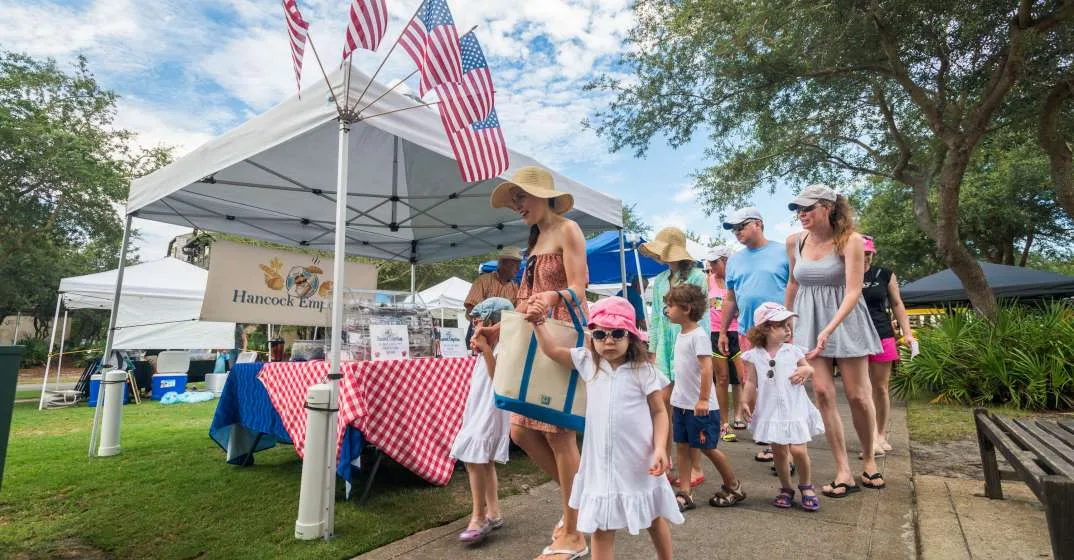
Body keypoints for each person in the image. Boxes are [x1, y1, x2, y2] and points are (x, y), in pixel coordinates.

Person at [529, 296, 682, 560]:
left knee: (653, 516)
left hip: (638, 461)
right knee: (600, 527)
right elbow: (552, 351)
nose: (608, 341)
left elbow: (659, 412)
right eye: (600, 334)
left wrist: (660, 448)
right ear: (592, 337)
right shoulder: (588, 363)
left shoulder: (643, 370)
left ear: (631, 336)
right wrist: (539, 323)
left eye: (617, 333)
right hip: (600, 464)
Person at [489, 165, 588, 560]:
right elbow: (525, 294)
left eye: (521, 197)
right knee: (521, 433)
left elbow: (580, 289)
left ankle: (576, 530)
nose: (517, 206)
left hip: (556, 337)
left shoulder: (568, 229)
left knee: (559, 435)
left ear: (542, 196)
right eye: (515, 200)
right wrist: (502, 329)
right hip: (531, 337)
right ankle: (578, 505)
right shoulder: (534, 239)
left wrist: (552, 298)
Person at [785, 184, 885, 498]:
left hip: (845, 319)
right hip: (807, 320)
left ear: (827, 207)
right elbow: (792, 282)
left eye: (808, 208)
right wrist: (785, 319)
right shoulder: (795, 242)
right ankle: (843, 469)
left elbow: (854, 290)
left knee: (857, 396)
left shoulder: (850, 241)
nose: (802, 215)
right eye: (799, 210)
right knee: (823, 392)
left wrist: (830, 328)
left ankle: (868, 459)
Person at [664, 283, 746, 512]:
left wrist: (702, 399)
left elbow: (706, 369)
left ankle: (733, 486)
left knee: (708, 448)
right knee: (681, 446)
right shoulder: (681, 334)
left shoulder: (698, 336)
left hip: (701, 407)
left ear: (687, 308)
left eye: (670, 306)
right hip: (681, 404)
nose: (667, 310)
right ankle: (685, 491)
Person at [718, 207, 790, 463]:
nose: (737, 232)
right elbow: (730, 298)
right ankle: (772, 437)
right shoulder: (735, 260)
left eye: (741, 226)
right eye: (734, 229)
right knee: (755, 383)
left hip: (781, 332)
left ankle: (784, 441)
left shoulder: (784, 251)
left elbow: (797, 289)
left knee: (782, 382)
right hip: (749, 331)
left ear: (758, 224)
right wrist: (724, 331)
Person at [639, 227, 708, 489]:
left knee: (687, 406)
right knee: (663, 404)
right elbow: (656, 317)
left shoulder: (698, 277)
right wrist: (654, 350)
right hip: (664, 349)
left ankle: (696, 467)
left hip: (687, 343)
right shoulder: (658, 280)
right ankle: (664, 459)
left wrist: (701, 350)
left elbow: (703, 317)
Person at [741, 302, 825, 511]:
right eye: (783, 326)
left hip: (794, 408)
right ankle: (786, 487)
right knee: (779, 452)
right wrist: (744, 401)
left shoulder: (792, 351)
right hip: (771, 410)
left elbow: (808, 368)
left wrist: (806, 372)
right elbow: (751, 381)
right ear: (766, 328)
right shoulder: (755, 354)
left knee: (798, 450)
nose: (788, 330)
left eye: (788, 325)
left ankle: (806, 485)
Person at [451, 297, 515, 545]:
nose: (475, 326)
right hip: (480, 406)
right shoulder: (486, 346)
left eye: (479, 321)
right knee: (482, 460)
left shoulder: (504, 347)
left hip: (491, 408)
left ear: (493, 322)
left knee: (475, 457)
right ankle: (494, 511)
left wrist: (486, 348)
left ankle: (478, 516)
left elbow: (497, 377)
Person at [861, 236, 916, 456]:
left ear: (873, 254)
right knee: (861, 390)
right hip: (856, 338)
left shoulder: (884, 274)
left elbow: (896, 303)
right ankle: (869, 437)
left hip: (882, 334)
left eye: (868, 253)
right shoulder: (846, 274)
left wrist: (908, 333)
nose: (864, 256)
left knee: (880, 388)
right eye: (860, 252)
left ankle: (880, 434)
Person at [705, 246, 748, 442]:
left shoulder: (738, 279)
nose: (712, 266)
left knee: (743, 377)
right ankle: (724, 423)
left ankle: (742, 415)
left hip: (737, 332)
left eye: (715, 262)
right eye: (711, 263)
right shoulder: (708, 280)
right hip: (716, 333)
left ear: (726, 261)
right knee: (721, 378)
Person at [463, 246, 522, 350]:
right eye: (515, 265)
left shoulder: (515, 288)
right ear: (503, 263)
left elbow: (517, 314)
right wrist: (482, 325)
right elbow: (471, 309)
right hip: (480, 335)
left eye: (519, 266)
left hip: (503, 338)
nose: (518, 269)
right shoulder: (483, 281)